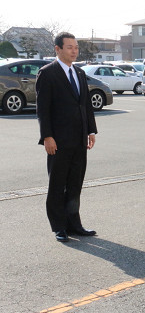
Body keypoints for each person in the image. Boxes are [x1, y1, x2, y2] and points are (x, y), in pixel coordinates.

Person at [36, 32, 98, 242]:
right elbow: (43, 109)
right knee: (57, 183)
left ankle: (74, 224)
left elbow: (86, 104)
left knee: (75, 183)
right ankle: (59, 227)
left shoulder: (79, 73)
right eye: (69, 47)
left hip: (79, 139)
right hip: (58, 141)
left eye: (76, 47)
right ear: (57, 49)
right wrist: (47, 136)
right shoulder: (48, 73)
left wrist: (91, 130)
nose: (74, 51)